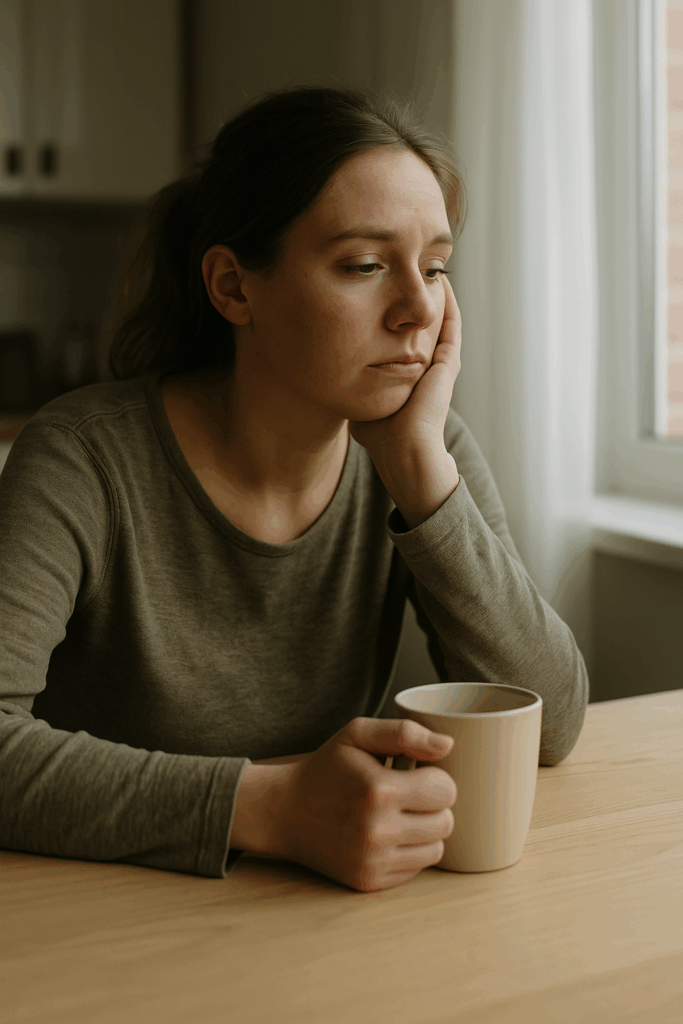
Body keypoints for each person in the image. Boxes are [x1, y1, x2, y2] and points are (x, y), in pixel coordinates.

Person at [0, 87, 588, 893]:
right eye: (365, 265)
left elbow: (550, 725)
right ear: (235, 288)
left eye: (435, 266)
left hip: (311, 907)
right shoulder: (82, 459)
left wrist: (418, 474)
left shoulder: (426, 451)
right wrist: (268, 809)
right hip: (96, 909)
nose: (419, 309)